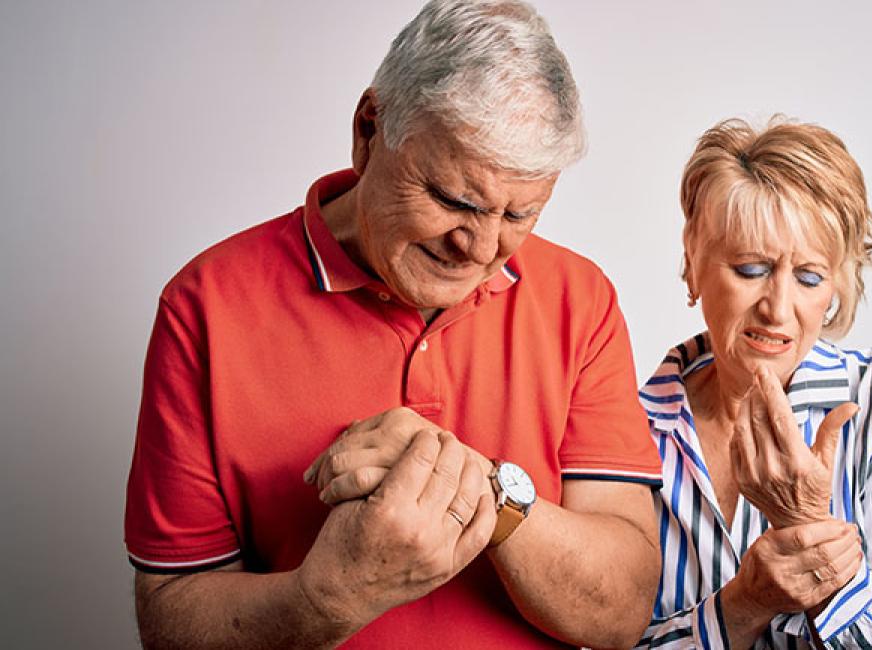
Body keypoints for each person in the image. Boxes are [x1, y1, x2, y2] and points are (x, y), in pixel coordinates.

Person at [123, 1, 663, 647]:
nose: (482, 248)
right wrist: (329, 594)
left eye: (520, 214)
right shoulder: (206, 305)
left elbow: (620, 615)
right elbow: (170, 622)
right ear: (369, 128)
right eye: (453, 200)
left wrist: (484, 491)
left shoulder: (581, 297)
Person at [633, 117, 872, 648]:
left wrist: (804, 523)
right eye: (750, 269)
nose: (778, 308)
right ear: (693, 259)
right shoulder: (626, 427)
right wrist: (743, 605)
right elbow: (600, 634)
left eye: (810, 277)